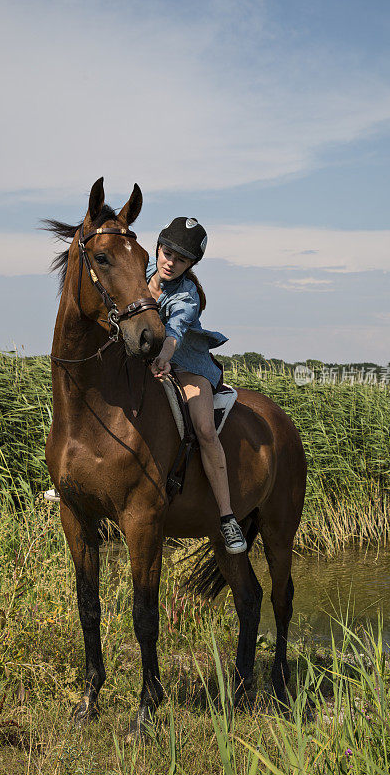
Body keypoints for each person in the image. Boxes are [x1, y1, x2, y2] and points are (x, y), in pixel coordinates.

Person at [147, 217, 247, 555]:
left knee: (205, 428)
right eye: (167, 253)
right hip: (142, 361)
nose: (170, 263)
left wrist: (164, 357)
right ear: (158, 247)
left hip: (185, 365)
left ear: (191, 265)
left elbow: (174, 332)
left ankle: (227, 516)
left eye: (181, 259)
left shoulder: (186, 293)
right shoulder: (139, 270)